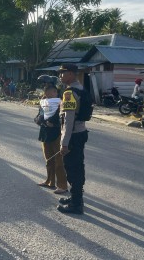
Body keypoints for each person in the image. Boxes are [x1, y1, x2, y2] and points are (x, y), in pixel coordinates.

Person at [57, 63, 88, 214]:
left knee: (72, 169)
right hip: (80, 132)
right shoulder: (80, 88)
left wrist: (64, 143)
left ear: (70, 74)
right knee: (78, 167)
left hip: (73, 136)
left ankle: (76, 205)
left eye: (62, 73)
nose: (60, 76)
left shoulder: (69, 93)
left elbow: (68, 120)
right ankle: (76, 198)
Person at [37, 85, 68, 194]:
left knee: (59, 161)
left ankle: (62, 185)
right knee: (49, 159)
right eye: (46, 93)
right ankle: (50, 181)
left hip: (57, 134)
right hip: (45, 134)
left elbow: (63, 119)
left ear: (55, 92)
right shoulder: (43, 102)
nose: (47, 95)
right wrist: (38, 120)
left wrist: (53, 123)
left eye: (50, 93)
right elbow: (39, 115)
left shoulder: (60, 103)